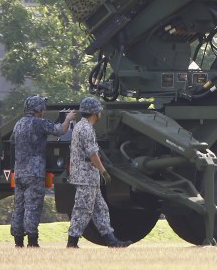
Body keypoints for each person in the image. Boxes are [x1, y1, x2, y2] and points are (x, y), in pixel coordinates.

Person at [10, 96, 78, 248]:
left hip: (19, 172)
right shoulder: (39, 123)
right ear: (38, 109)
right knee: (33, 206)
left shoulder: (19, 124)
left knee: (19, 207)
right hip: (34, 173)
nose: (44, 110)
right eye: (42, 107)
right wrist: (67, 119)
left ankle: (18, 241)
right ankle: (32, 241)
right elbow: (60, 130)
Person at [66, 97, 130, 248]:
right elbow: (92, 154)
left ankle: (111, 240)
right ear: (95, 112)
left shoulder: (82, 126)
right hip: (85, 177)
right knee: (82, 210)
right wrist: (104, 172)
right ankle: (72, 242)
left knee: (100, 209)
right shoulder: (86, 129)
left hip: (88, 177)